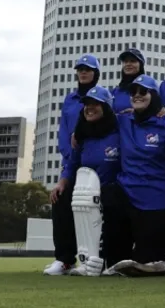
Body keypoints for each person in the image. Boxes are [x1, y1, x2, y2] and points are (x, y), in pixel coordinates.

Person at [107, 75, 165, 276]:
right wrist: (78, 132)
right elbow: (95, 119)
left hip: (159, 198)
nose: (137, 95)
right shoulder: (123, 120)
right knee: (116, 261)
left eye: (143, 92)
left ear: (155, 96)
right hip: (127, 194)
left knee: (148, 260)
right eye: (133, 92)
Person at [44, 53, 100, 276]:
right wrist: (67, 165)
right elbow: (64, 133)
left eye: (88, 69)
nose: (83, 72)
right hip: (73, 162)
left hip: (97, 162)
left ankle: (98, 257)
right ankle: (65, 259)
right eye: (80, 69)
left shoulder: (103, 95)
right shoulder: (70, 99)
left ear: (96, 73)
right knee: (60, 199)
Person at [59, 86, 123, 276]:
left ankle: (107, 260)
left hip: (114, 191)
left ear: (107, 107)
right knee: (62, 197)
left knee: (111, 199)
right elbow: (72, 163)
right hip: (88, 193)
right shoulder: (81, 135)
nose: (90, 108)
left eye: (96, 104)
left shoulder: (121, 130)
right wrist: (63, 181)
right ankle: (70, 259)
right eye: (87, 104)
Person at [112, 48, 145, 113]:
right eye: (125, 61)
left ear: (140, 65)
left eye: (132, 61)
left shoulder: (149, 90)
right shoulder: (115, 92)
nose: (128, 64)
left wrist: (138, 113)